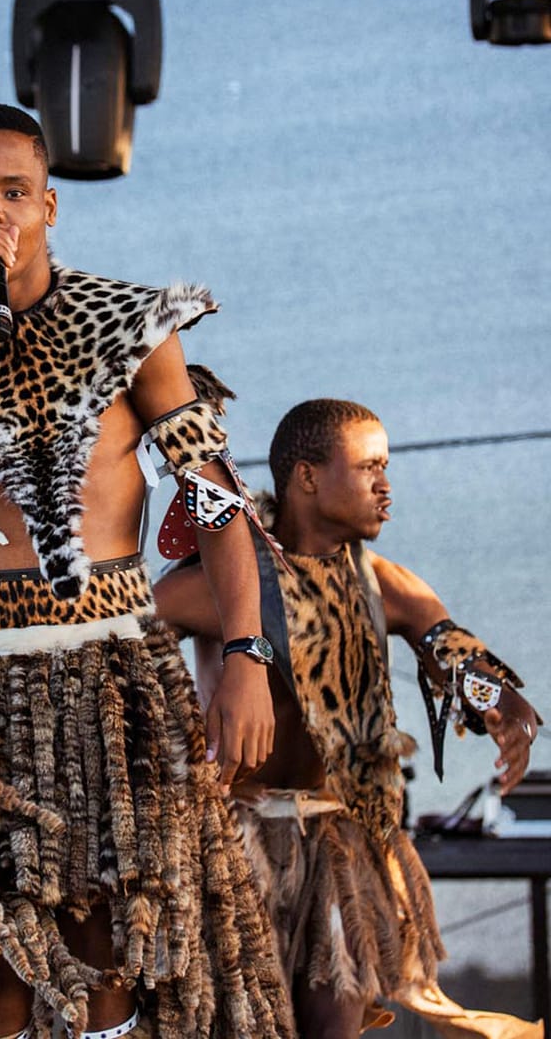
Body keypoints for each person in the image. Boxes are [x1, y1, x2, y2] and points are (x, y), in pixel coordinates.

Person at [0, 104, 292, 1039]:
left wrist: (247, 653)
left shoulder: (131, 326)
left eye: (13, 192)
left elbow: (215, 500)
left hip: (114, 676)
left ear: (50, 203)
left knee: (102, 968)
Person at [154, 398, 543, 1039]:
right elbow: (118, 654)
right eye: (369, 468)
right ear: (307, 478)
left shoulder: (383, 583)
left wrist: (498, 699)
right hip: (232, 846)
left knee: (336, 1022)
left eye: (385, 468)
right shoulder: (223, 584)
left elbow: (445, 643)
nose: (386, 486)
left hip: (340, 845)